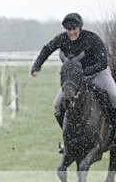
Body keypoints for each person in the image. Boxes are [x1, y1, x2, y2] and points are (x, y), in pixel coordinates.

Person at [31, 12, 116, 143]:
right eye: (69, 30)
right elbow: (47, 49)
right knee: (58, 105)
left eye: (74, 29)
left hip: (98, 73)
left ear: (80, 28)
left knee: (113, 95)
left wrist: (84, 72)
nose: (71, 33)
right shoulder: (62, 39)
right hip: (76, 79)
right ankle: (68, 140)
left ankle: (113, 133)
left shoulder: (92, 39)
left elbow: (102, 63)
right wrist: (37, 66)